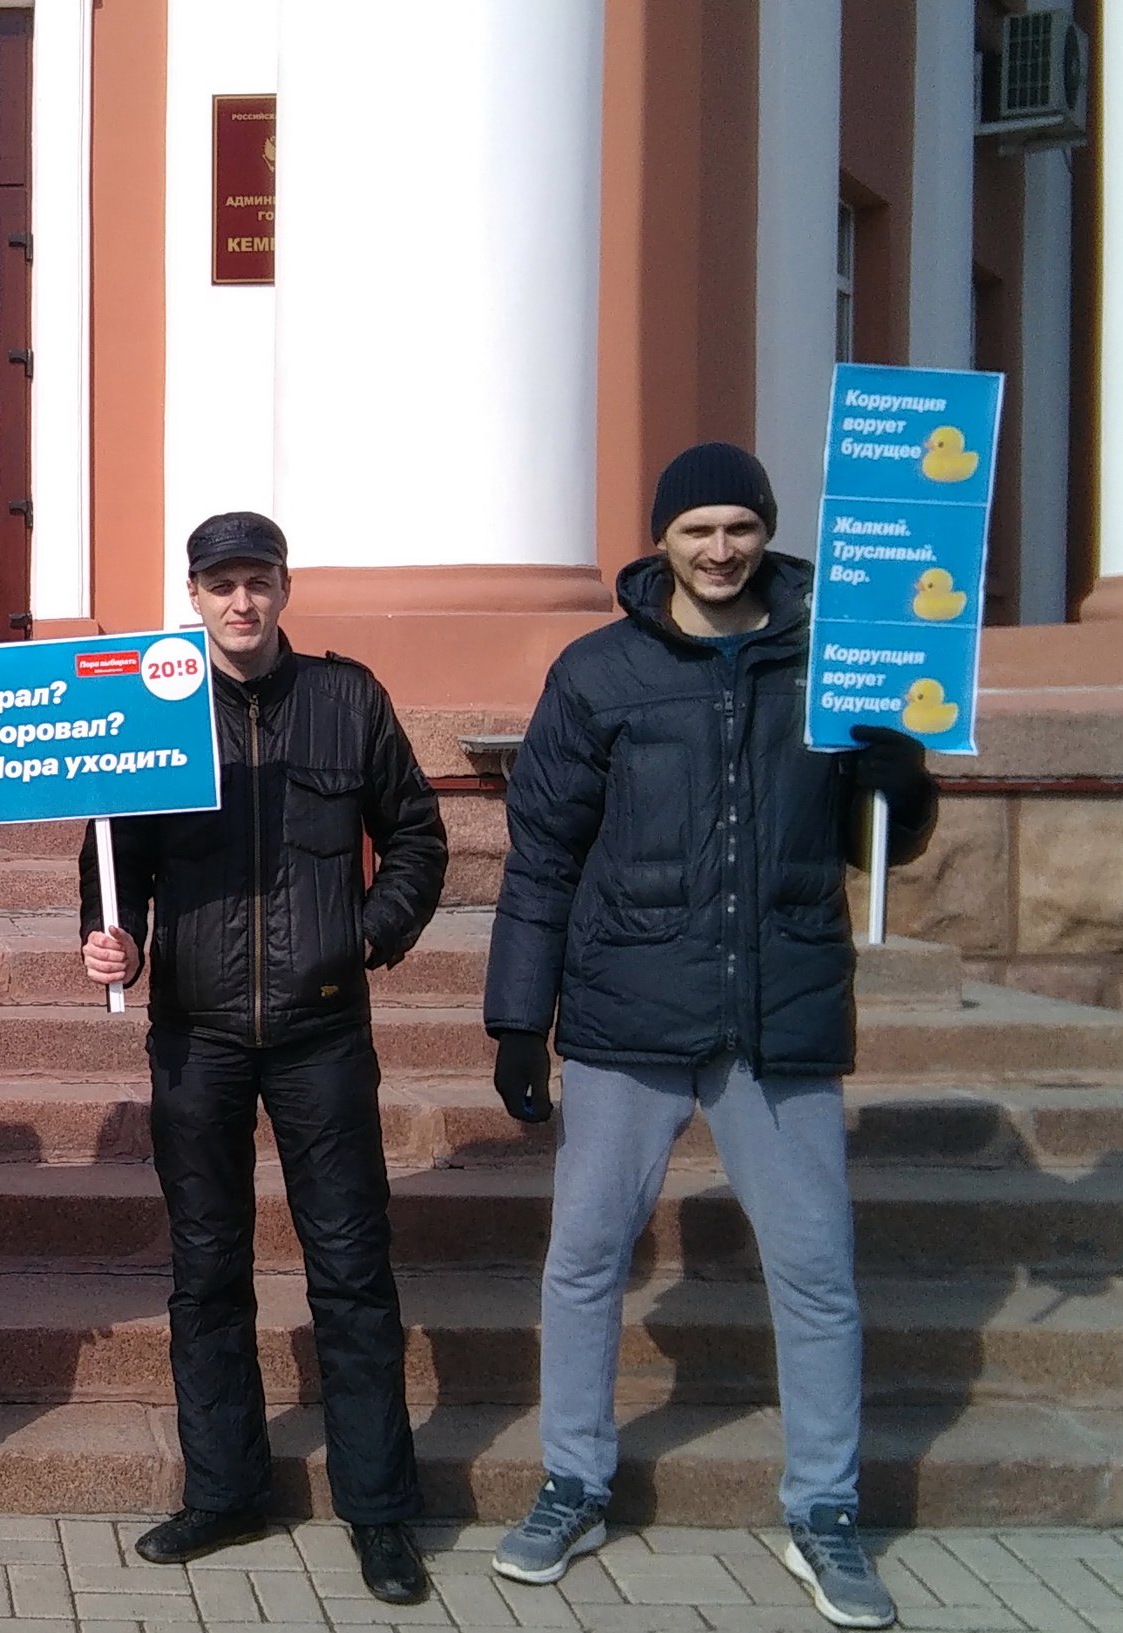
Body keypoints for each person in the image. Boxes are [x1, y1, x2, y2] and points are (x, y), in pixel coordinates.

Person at [483, 443, 935, 1630]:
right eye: (697, 529)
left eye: (739, 526)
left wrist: (899, 771)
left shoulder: (835, 662)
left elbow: (881, 837)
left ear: (766, 531)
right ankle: (573, 1480)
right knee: (586, 1255)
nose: (720, 548)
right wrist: (518, 1015)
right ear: (662, 541)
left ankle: (823, 1507)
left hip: (776, 1011)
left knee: (815, 1268)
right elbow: (542, 850)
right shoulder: (597, 672)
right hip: (627, 1011)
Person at [80, 511, 447, 1603]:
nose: (240, 602)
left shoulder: (347, 699)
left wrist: (369, 932)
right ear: (191, 596)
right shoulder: (150, 709)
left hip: (321, 1031)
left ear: (285, 589)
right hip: (194, 1033)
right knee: (206, 1271)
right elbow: (113, 858)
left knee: (351, 1269)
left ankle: (379, 1509)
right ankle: (226, 1488)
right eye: (220, 584)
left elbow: (418, 834)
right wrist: (113, 935)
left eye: (257, 581)